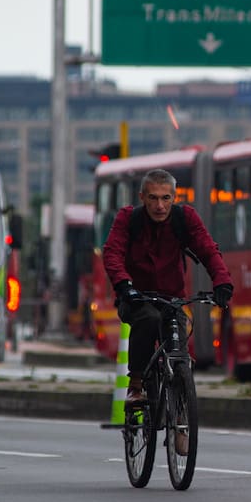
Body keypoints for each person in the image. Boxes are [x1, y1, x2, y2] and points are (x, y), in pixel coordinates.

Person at [102, 168, 233, 404]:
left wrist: (222, 281)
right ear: (142, 197)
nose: (160, 206)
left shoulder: (185, 218)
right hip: (135, 298)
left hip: (172, 299)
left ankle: (180, 420)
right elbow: (112, 253)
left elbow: (207, 249)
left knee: (179, 351)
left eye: (166, 198)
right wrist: (123, 285)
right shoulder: (128, 218)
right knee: (148, 319)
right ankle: (137, 383)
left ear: (175, 198)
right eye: (153, 198)